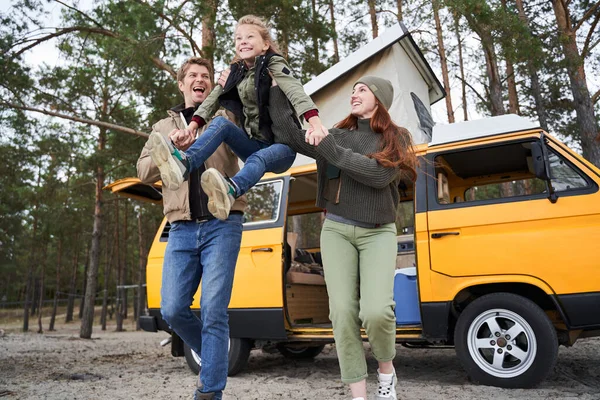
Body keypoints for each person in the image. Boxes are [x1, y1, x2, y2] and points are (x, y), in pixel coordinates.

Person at [269, 76, 417, 400]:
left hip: (378, 231)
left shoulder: (396, 138)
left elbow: (378, 175)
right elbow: (290, 134)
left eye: (362, 89)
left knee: (377, 311)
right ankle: (359, 394)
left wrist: (329, 148)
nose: (355, 94)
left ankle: (386, 372)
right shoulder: (334, 134)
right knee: (341, 312)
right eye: (353, 90)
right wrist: (276, 86)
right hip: (336, 229)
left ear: (379, 99)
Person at [137, 57, 247, 400]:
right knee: (172, 309)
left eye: (205, 76)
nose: (199, 80)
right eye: (193, 76)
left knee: (214, 310)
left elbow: (246, 148)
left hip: (223, 223)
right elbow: (142, 172)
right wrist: (169, 147)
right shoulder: (160, 127)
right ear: (182, 84)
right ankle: (216, 357)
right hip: (181, 227)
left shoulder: (224, 117)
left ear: (210, 85)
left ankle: (209, 390)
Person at [148, 14, 327, 220]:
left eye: (250, 37)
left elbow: (297, 92)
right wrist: (191, 129)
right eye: (238, 38)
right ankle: (186, 163)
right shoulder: (236, 71)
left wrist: (315, 124)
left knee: (259, 157)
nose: (243, 41)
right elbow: (211, 99)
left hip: (282, 148)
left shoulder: (274, 64)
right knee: (221, 123)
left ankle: (231, 190)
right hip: (254, 143)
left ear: (265, 44)